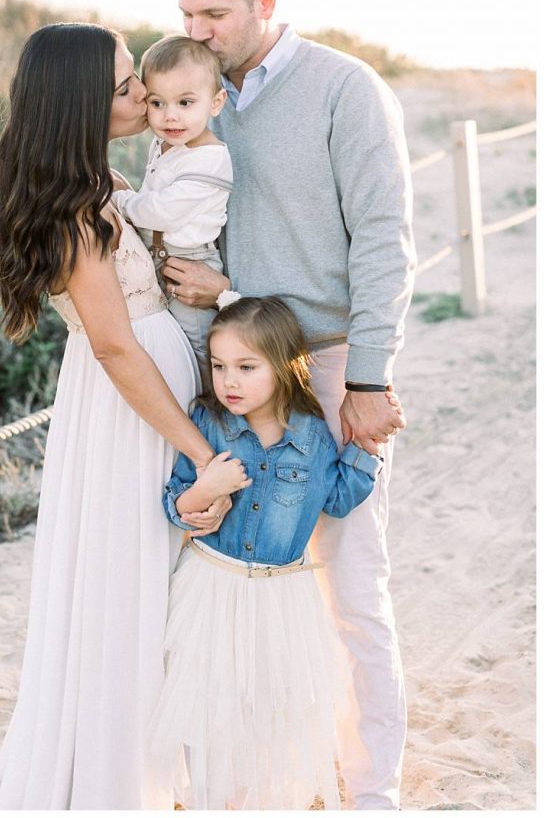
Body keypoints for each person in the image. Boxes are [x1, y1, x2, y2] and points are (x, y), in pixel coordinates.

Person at [0, 23, 242, 810]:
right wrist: (198, 451)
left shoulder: (102, 181)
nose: (141, 95)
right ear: (79, 103)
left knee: (150, 579)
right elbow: (114, 347)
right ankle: (116, 774)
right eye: (121, 87)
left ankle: (151, 755)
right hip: (129, 412)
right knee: (128, 581)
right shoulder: (77, 210)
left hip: (142, 393)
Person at [161, 0, 416, 810]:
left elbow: (385, 240)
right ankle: (258, 771)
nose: (197, 30)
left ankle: (370, 789)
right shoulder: (197, 99)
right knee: (230, 567)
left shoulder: (345, 89)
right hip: (234, 374)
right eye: (186, 11)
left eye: (216, 12)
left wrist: (373, 379)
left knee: (350, 583)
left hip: (332, 367)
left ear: (265, 2)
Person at [149, 295, 386, 809]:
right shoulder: (207, 423)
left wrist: (368, 445)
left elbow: (338, 499)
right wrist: (207, 485)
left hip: (282, 598)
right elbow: (177, 506)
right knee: (212, 700)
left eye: (246, 367)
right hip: (213, 585)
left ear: (282, 366)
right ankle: (213, 801)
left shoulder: (312, 435)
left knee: (272, 706)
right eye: (218, 366)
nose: (228, 381)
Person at [112, 34, 232, 381]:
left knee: (196, 351)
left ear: (216, 102)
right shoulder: (167, 144)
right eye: (157, 103)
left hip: (191, 262)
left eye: (185, 102)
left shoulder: (209, 159)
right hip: (165, 260)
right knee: (167, 348)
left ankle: (204, 409)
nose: (171, 117)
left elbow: (162, 211)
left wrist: (120, 200)